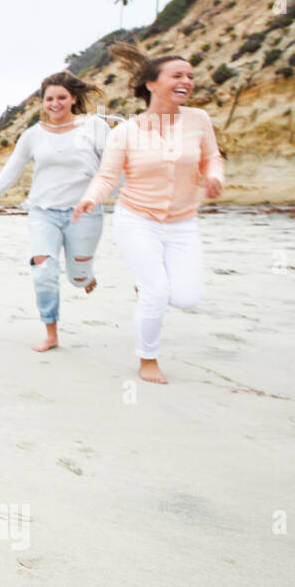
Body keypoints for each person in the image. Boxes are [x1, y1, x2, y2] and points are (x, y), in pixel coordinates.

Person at [72, 42, 225, 384]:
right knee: (156, 291)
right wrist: (91, 199)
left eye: (190, 75)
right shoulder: (126, 131)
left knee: (186, 298)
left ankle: (147, 286)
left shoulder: (199, 120)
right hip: (137, 219)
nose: (186, 80)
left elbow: (211, 158)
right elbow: (108, 176)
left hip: (183, 222)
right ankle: (148, 360)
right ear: (152, 84)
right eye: (177, 75)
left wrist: (215, 176)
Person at [0, 72, 111, 352]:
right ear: (42, 103)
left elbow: (112, 169)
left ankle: (85, 276)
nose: (55, 103)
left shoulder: (94, 127)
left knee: (77, 279)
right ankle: (51, 332)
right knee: (43, 270)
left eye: (61, 97)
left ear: (73, 99)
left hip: (84, 213)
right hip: (43, 213)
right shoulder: (33, 136)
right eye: (49, 98)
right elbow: (9, 173)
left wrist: (105, 197)